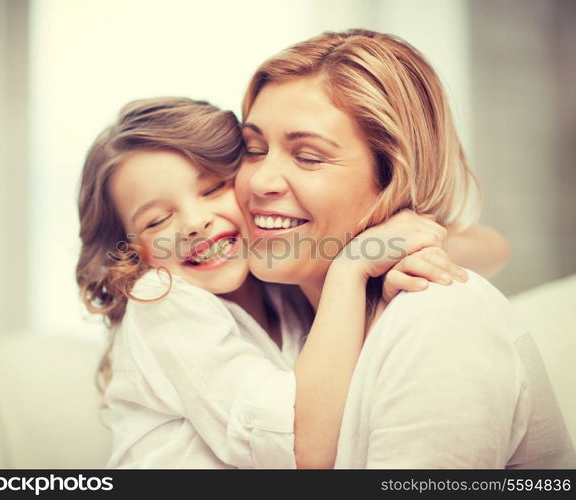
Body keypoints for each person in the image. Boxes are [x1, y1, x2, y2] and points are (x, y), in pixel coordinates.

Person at [75, 96, 508, 468]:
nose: (194, 223)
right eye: (157, 220)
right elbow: (302, 455)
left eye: (212, 189)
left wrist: (399, 242)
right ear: (133, 253)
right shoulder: (162, 300)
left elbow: (491, 248)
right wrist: (350, 268)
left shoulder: (279, 276)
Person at [234, 28, 575, 468]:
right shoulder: (273, 306)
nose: (260, 181)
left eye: (309, 156)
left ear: (392, 174)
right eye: (253, 149)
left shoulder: (438, 317)